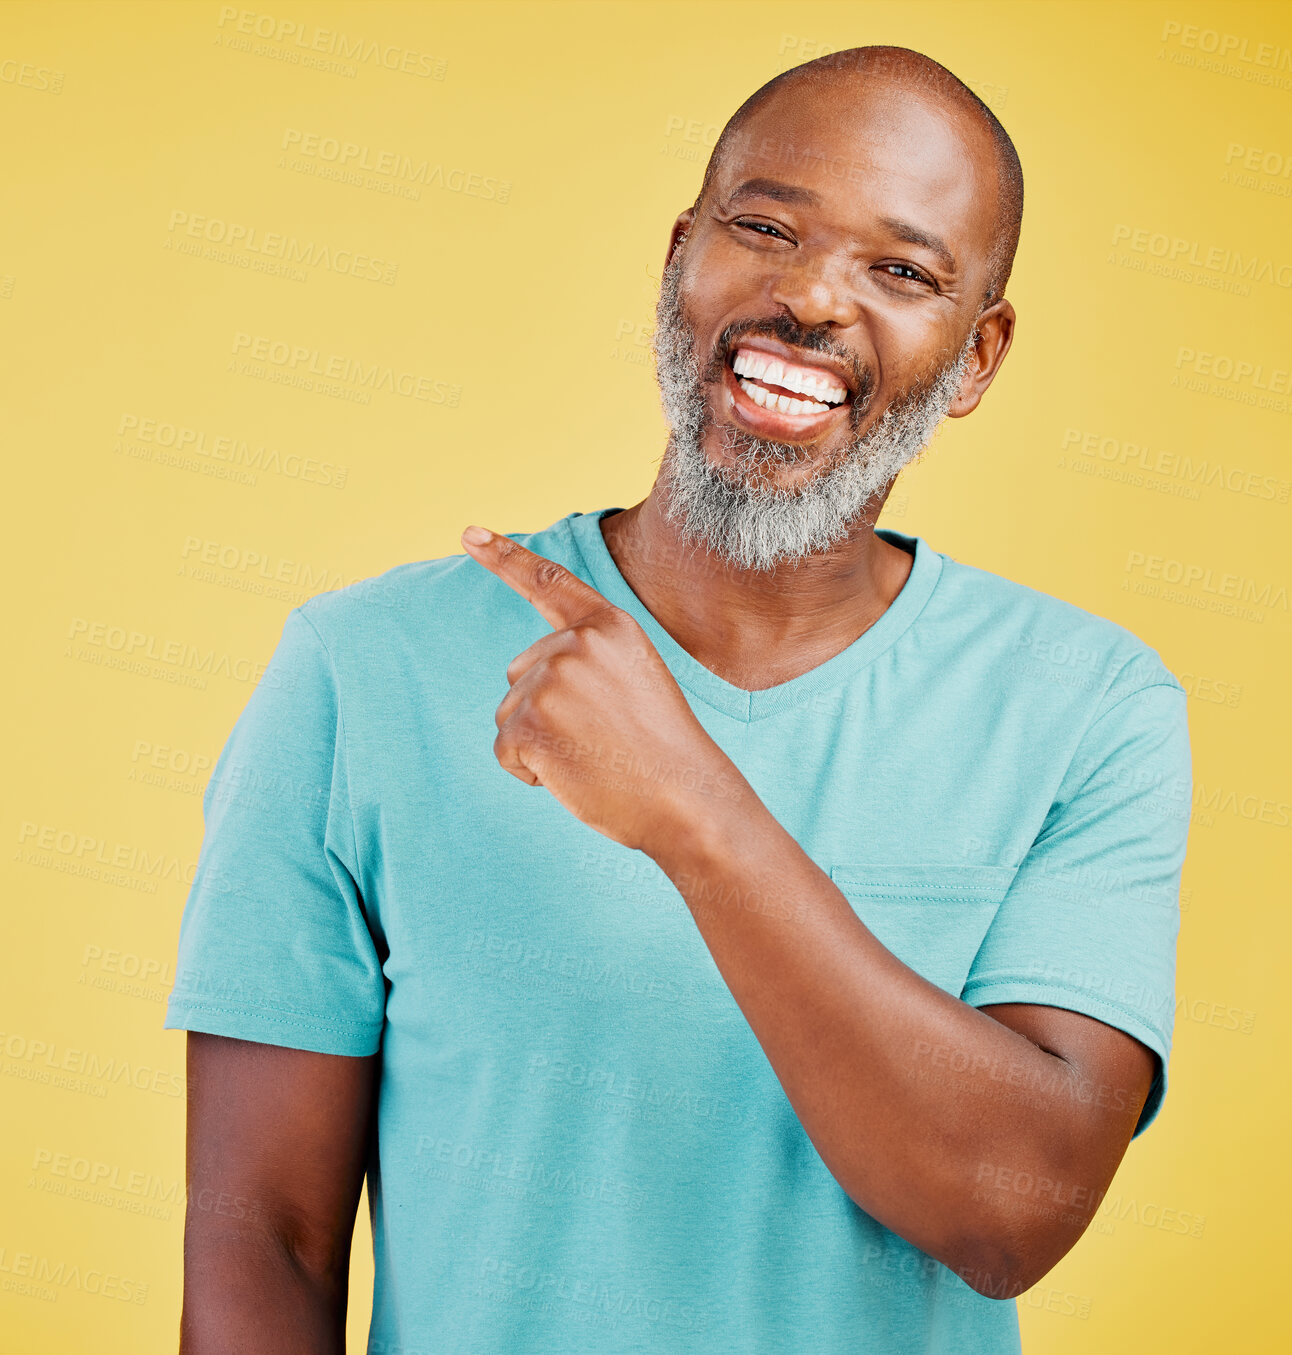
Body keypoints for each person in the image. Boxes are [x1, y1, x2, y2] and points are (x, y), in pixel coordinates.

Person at [164, 44, 1193, 1355]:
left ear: (978, 356)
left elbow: (1010, 1219)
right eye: (764, 227)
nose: (810, 296)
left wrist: (690, 807)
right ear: (678, 259)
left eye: (903, 269)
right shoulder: (364, 666)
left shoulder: (1088, 706)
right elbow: (264, 1236)